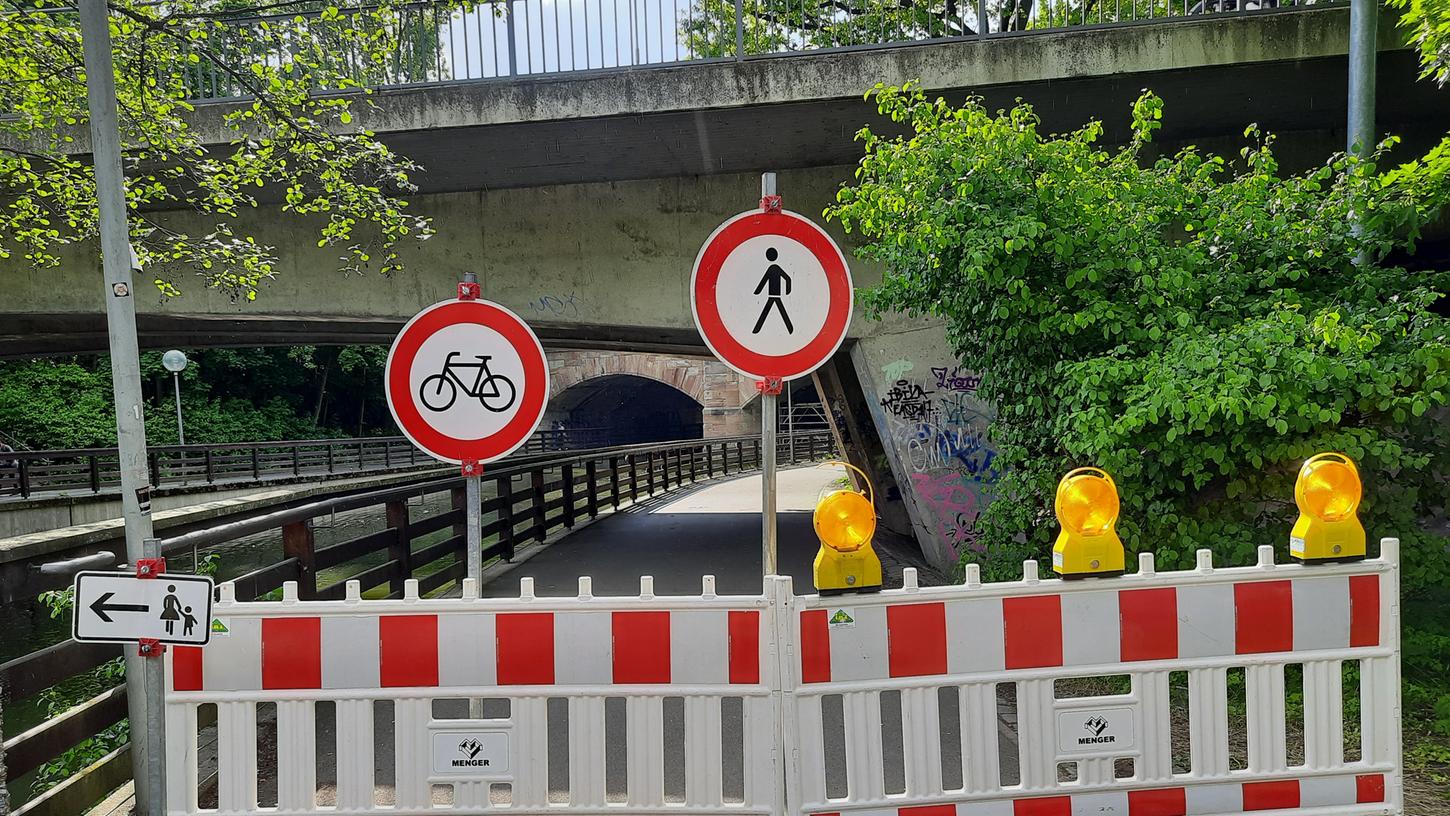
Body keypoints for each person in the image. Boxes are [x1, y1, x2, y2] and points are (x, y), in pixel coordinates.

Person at [752, 247, 794, 334]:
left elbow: (764, 280)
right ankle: (790, 329)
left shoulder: (773, 268)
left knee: (769, 311)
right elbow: (787, 278)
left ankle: (757, 329)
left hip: (773, 295)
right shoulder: (775, 268)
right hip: (774, 295)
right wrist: (787, 290)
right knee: (778, 311)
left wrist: (758, 291)